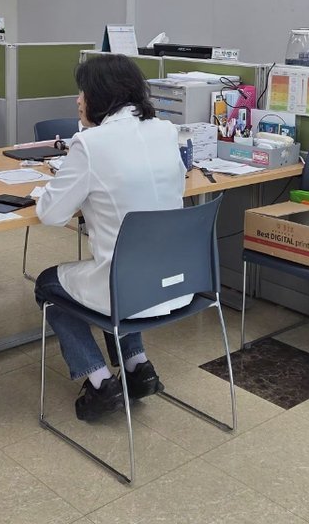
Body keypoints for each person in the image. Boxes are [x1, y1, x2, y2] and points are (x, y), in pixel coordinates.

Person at [34, 54, 185, 421]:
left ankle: (100, 382)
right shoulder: (166, 130)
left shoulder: (91, 144)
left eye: (82, 92)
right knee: (128, 267)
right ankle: (137, 366)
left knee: (47, 286)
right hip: (178, 280)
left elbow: (51, 214)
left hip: (124, 286)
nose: (78, 100)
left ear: (100, 96)